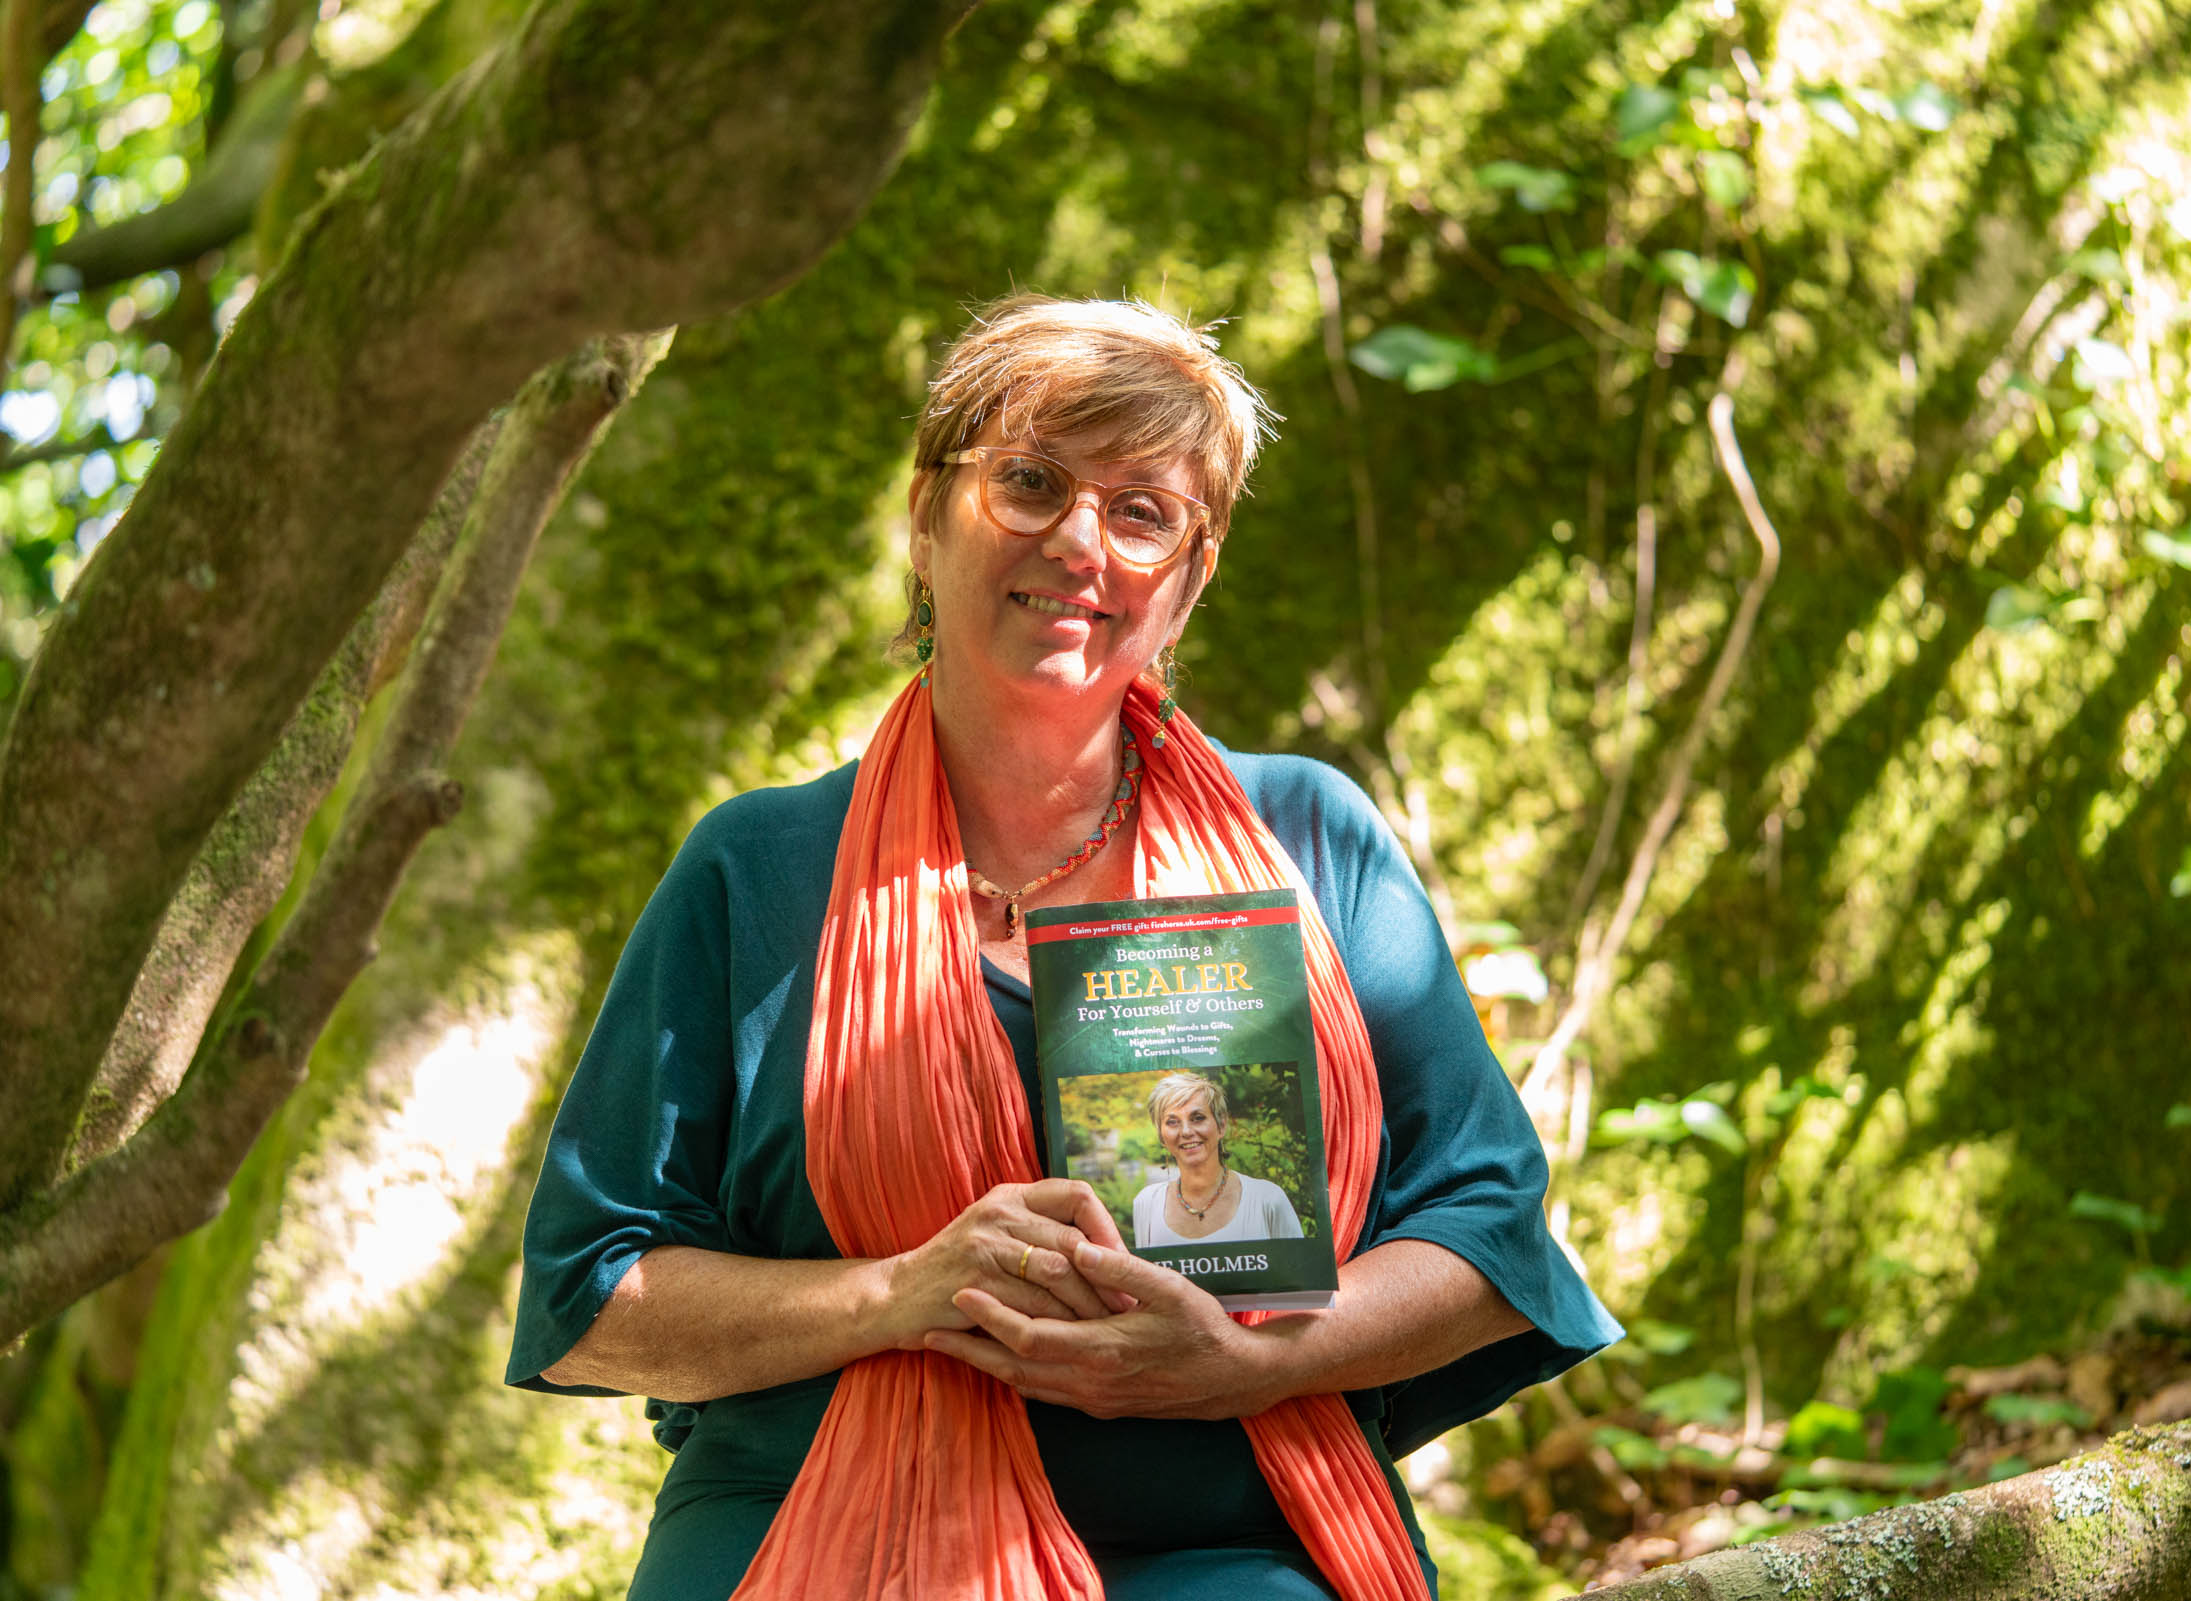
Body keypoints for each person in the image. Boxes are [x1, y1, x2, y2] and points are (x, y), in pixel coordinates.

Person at [504, 294, 1621, 1600]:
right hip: (811, 1523)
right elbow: (593, 1299)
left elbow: (1488, 1235)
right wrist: (903, 1294)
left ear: (1189, 578)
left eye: (1142, 510)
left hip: (1232, 1531)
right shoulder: (759, 872)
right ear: (927, 519)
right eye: (1029, 481)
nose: (1080, 541)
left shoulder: (1310, 836)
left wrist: (1244, 1368)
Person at [1132, 1071, 1304, 1248]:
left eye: (1197, 1118)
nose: (1186, 1131)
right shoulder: (1146, 1204)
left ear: (1221, 1125)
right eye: (1172, 1122)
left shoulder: (1268, 1199)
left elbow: (1299, 1271)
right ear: (1161, 1136)